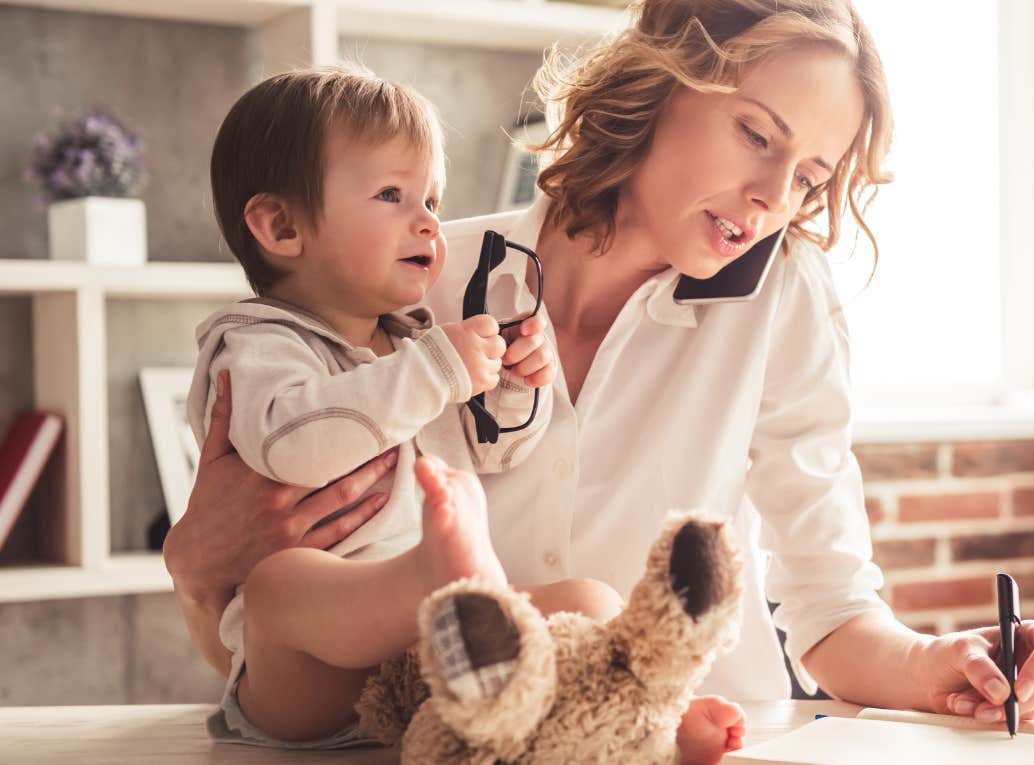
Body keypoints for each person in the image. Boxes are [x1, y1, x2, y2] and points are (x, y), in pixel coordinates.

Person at [166, 0, 1034, 736]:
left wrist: (937, 663)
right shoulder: (408, 281)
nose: (773, 198)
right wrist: (194, 570)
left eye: (808, 177)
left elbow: (830, 606)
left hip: (700, 742)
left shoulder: (785, 298)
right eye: (758, 135)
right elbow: (273, 646)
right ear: (659, 82)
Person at [189, 65, 744, 760]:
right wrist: (435, 371)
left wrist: (516, 389)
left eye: (432, 197)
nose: (427, 220)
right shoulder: (257, 341)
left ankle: (641, 709)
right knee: (279, 586)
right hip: (306, 678)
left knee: (587, 601)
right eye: (392, 194)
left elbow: (494, 453)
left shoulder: (413, 337)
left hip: (431, 662)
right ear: (280, 225)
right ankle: (433, 581)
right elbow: (291, 447)